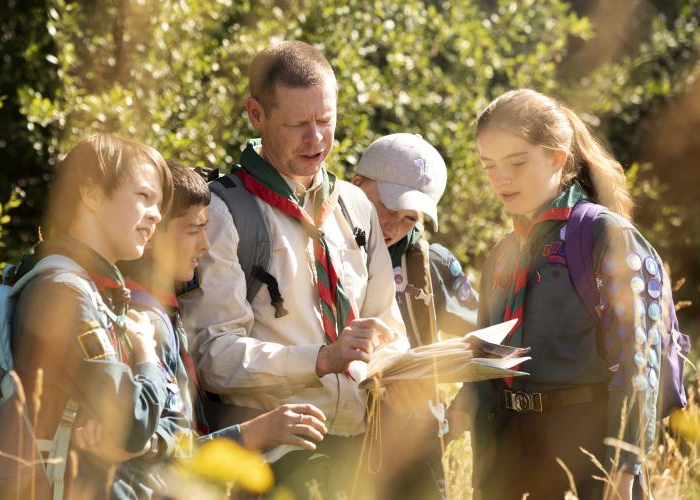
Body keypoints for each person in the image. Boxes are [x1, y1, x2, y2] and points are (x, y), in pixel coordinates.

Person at [179, 41, 423, 498]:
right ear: (256, 114)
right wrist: (320, 359)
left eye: (325, 121)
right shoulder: (224, 212)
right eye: (297, 123)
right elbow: (212, 357)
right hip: (267, 463)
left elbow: (385, 328)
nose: (316, 139)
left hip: (356, 453)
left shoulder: (353, 205)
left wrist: (402, 372)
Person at [448, 89, 664, 500]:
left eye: (516, 162)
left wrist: (623, 468)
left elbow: (637, 363)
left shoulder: (604, 236)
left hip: (586, 450)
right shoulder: (504, 253)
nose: (501, 179)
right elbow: (487, 361)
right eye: (489, 166)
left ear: (557, 158)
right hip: (509, 449)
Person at [113, 161, 329, 495]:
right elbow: (151, 451)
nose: (206, 244)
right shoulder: (145, 321)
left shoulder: (165, 311)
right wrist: (253, 433)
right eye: (193, 230)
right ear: (151, 232)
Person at [10, 134, 175, 499]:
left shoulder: (82, 288)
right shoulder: (64, 293)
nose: (157, 214)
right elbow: (131, 421)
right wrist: (146, 352)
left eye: (159, 203)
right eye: (144, 197)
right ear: (92, 194)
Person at [350, 133, 480, 499]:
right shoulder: (317, 247)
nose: (392, 227)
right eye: (386, 208)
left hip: (413, 452)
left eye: (409, 218)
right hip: (335, 441)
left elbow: (493, 341)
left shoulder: (428, 263)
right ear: (356, 184)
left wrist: (453, 418)